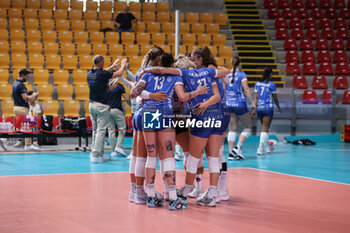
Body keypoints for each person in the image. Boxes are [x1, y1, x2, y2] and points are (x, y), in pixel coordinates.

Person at [141, 46, 230, 207]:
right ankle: (213, 191)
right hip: (217, 115)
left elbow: (139, 93)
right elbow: (223, 80)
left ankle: (178, 191)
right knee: (213, 157)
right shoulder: (210, 72)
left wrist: (146, 69)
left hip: (175, 116)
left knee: (170, 155)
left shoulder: (182, 75)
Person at [131, 53, 209, 210]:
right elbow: (183, 97)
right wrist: (198, 92)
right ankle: (173, 197)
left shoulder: (148, 74)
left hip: (148, 112)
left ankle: (151, 196)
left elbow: (134, 93)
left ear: (159, 62)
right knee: (168, 156)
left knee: (151, 155)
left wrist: (150, 94)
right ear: (173, 64)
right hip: (166, 114)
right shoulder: (176, 78)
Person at [88, 55, 128, 163]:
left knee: (96, 130)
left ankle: (99, 153)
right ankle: (95, 155)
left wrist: (112, 66)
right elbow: (119, 73)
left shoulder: (89, 73)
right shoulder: (103, 74)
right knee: (101, 131)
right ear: (101, 63)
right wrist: (123, 64)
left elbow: (101, 73)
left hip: (92, 105)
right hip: (102, 106)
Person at [226, 56, 255, 160]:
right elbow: (246, 90)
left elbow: (224, 90)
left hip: (228, 103)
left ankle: (231, 153)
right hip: (240, 104)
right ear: (240, 63)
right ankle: (237, 148)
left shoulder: (226, 74)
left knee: (232, 129)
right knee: (249, 126)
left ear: (231, 62)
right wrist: (253, 103)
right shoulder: (242, 74)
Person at [253, 67, 282, 155]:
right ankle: (260, 148)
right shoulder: (272, 84)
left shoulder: (257, 84)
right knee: (265, 129)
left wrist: (254, 109)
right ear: (270, 74)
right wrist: (278, 107)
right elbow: (275, 98)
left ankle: (268, 148)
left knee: (264, 129)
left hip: (259, 108)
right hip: (268, 108)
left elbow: (256, 98)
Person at [12, 69, 39, 150]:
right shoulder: (22, 85)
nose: (28, 78)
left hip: (16, 107)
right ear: (22, 75)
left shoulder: (14, 83)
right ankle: (28, 145)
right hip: (22, 108)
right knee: (27, 125)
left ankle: (4, 139)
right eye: (27, 77)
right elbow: (24, 98)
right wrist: (32, 95)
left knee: (18, 126)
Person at [107, 82, 129, 157]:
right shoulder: (119, 86)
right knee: (122, 129)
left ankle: (113, 151)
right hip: (117, 110)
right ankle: (118, 147)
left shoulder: (105, 85)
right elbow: (126, 98)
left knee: (111, 130)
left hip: (107, 110)